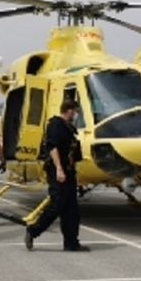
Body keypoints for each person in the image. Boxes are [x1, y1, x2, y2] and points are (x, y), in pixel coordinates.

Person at [24, 98, 89, 251]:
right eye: (75, 111)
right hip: (57, 171)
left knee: (72, 210)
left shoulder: (69, 127)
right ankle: (33, 230)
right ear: (70, 110)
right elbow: (52, 147)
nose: (76, 114)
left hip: (69, 171)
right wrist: (59, 168)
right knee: (57, 205)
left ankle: (71, 243)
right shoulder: (55, 125)